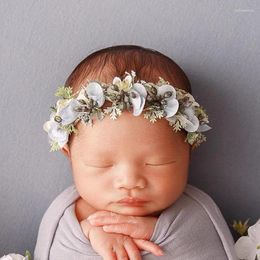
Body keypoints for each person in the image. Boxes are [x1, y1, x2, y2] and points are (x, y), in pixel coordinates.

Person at [34, 45, 238, 259]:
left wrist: (157, 233)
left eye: (157, 163)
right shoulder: (64, 219)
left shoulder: (196, 217)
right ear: (69, 153)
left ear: (189, 149)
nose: (130, 181)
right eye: (101, 164)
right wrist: (90, 231)